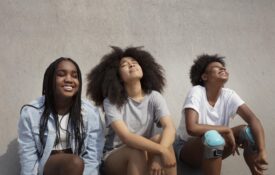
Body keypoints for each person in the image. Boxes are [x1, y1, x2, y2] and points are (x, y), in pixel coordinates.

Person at [86, 46, 177, 175]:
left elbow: (170, 127)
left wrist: (160, 152)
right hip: (116, 155)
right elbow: (127, 137)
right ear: (117, 76)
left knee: (161, 138)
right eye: (124, 65)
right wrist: (162, 151)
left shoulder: (154, 97)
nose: (131, 65)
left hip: (145, 150)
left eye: (134, 62)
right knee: (136, 151)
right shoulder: (111, 101)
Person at [175, 54, 268, 175]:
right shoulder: (197, 91)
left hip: (216, 143)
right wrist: (225, 129)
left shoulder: (229, 95)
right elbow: (192, 128)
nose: (223, 69)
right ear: (205, 76)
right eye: (216, 67)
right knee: (213, 137)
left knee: (248, 133)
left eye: (224, 67)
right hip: (188, 149)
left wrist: (262, 150)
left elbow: (253, 120)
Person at [18, 57, 104, 175]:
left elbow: (93, 155)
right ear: (50, 80)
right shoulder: (31, 112)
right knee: (74, 162)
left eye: (74, 76)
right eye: (61, 74)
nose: (69, 79)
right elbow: (28, 155)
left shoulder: (90, 112)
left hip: (79, 169)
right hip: (47, 167)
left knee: (75, 163)